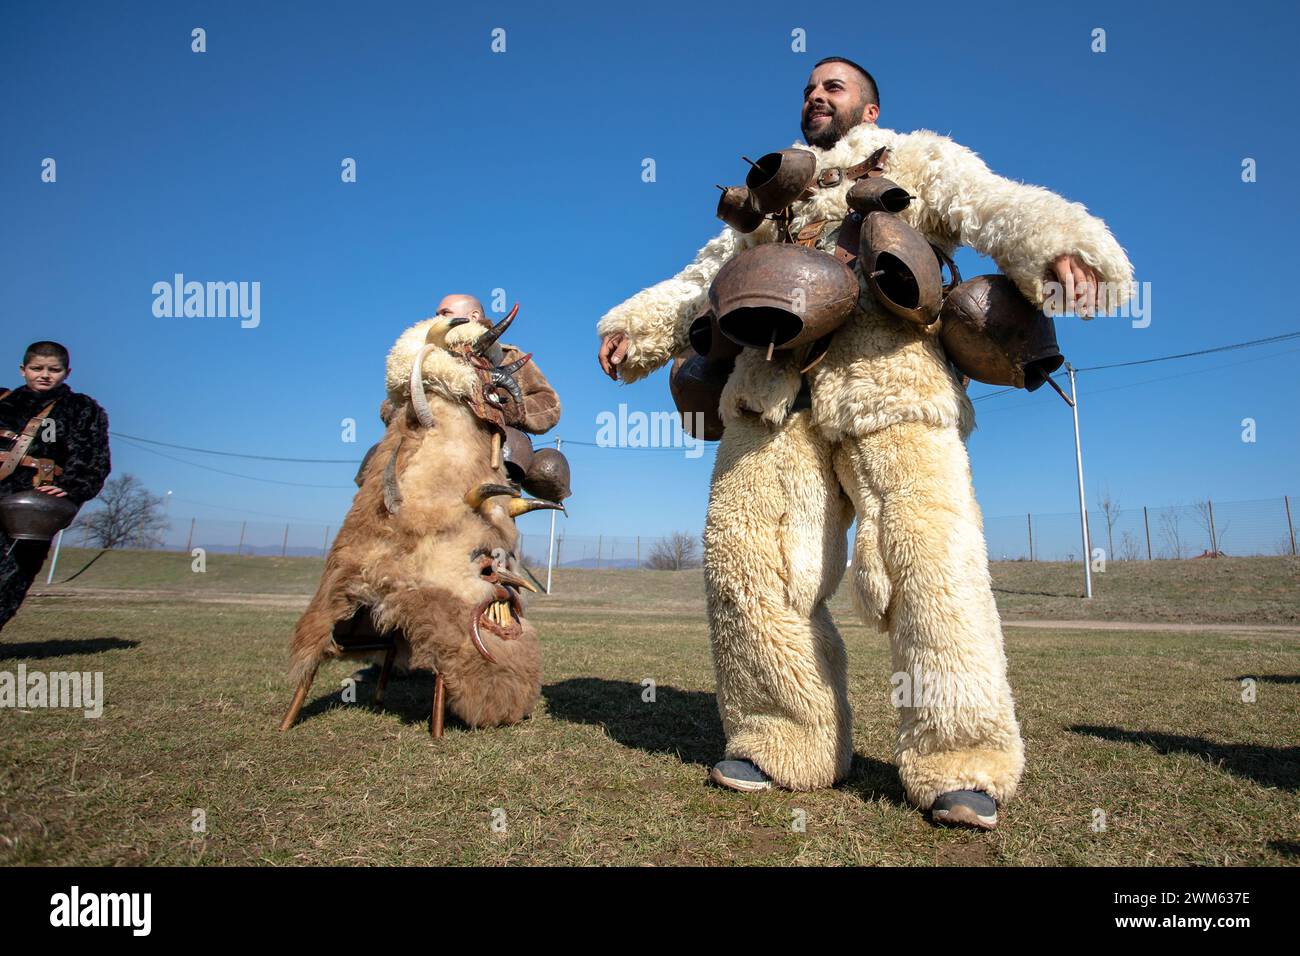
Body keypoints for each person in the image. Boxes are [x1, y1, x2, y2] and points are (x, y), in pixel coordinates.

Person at [596, 58, 1133, 829]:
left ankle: (961, 759)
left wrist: (1059, 249)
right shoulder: (771, 198)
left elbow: (994, 205)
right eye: (810, 88)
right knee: (749, 565)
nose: (816, 96)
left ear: (871, 108)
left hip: (895, 389)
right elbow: (703, 279)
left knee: (931, 568)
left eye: (834, 87)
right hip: (772, 397)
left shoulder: (916, 158)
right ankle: (783, 740)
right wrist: (634, 330)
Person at [0, 341, 111, 632]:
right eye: (37, 368)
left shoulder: (80, 409)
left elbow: (92, 457)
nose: (45, 375)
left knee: (14, 574)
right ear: (23, 370)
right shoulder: (2, 401)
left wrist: (73, 489)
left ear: (67, 372)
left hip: (33, 503)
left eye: (54, 369)